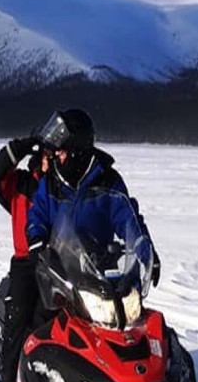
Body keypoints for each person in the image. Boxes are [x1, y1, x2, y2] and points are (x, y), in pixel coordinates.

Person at [25, 108, 160, 282]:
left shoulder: (108, 181)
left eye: (62, 152)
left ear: (77, 151)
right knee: (39, 307)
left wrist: (146, 252)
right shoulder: (51, 181)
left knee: (129, 307)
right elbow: (38, 215)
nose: (57, 156)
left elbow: (128, 219)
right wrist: (37, 240)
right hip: (58, 272)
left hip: (100, 273)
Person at [0, 131, 48, 382]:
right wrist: (22, 145)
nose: (50, 162)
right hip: (25, 263)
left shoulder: (61, 187)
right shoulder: (20, 184)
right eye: (46, 157)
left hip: (57, 263)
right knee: (20, 318)